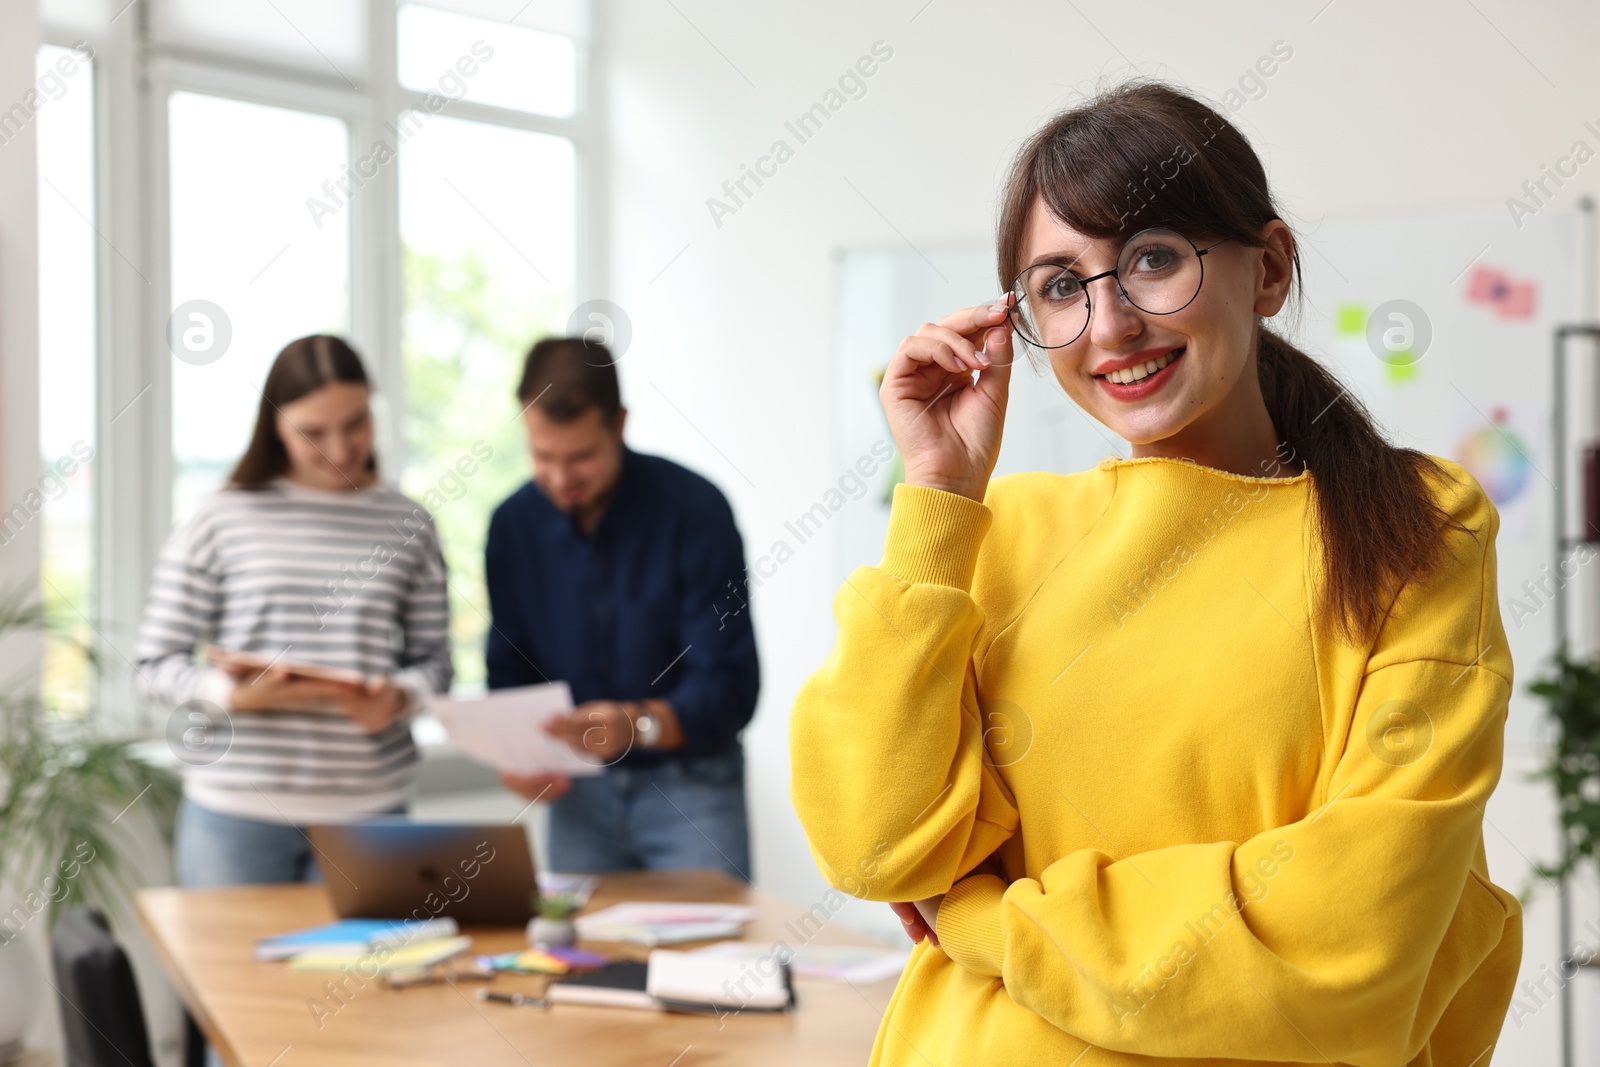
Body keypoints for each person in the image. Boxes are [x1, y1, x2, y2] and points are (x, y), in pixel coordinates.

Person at [789, 81, 1520, 1065]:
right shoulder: (1000, 528)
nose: (1109, 323)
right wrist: (937, 497)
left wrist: (982, 922)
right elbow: (874, 845)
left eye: (1152, 259)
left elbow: (1355, 939)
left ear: (1266, 271)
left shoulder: (1414, 524)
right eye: (1060, 284)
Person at [137, 335, 453, 888]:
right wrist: (231, 696)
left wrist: (401, 698)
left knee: (371, 976)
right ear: (276, 425)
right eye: (313, 432)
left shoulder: (410, 523)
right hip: (236, 813)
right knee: (228, 977)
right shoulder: (218, 518)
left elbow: (437, 665)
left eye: (356, 423)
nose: (340, 446)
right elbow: (151, 667)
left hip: (369, 812)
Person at [488, 337, 759, 880]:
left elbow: (731, 687)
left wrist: (634, 725)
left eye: (581, 457)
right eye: (543, 457)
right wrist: (516, 753)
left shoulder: (695, 511)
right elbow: (509, 669)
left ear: (619, 424)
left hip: (693, 789)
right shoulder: (512, 525)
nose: (561, 478)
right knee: (579, 960)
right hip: (578, 796)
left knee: (712, 965)